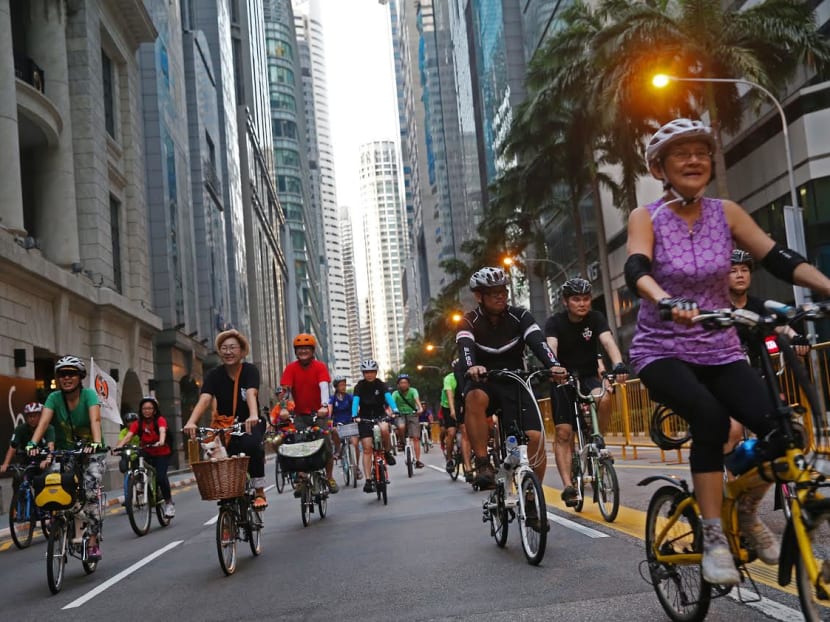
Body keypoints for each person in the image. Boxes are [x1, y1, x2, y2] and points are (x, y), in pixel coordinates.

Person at [625, 118, 830, 585]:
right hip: (663, 350)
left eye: (701, 151)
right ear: (660, 167)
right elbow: (637, 265)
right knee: (711, 420)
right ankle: (714, 537)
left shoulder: (726, 212)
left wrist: (827, 286)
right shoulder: (647, 217)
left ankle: (748, 510)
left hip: (720, 347)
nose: (694, 160)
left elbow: (777, 257)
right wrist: (665, 301)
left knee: (785, 430)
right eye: (682, 154)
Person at [456, 266, 565, 499]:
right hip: (484, 381)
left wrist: (553, 365)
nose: (500, 296)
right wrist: (471, 367)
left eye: (503, 291)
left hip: (516, 380)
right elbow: (465, 349)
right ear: (479, 296)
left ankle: (532, 496)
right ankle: (484, 462)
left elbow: (538, 342)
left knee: (535, 437)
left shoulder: (520, 316)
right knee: (474, 396)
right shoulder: (469, 321)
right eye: (493, 292)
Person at [544, 277, 629, 507]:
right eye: (576, 299)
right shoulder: (554, 322)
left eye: (585, 299)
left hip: (589, 375)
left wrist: (618, 364)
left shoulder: (596, 318)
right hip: (562, 378)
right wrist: (553, 367)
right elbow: (551, 347)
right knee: (563, 433)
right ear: (565, 301)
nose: (582, 304)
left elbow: (608, 342)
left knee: (603, 396)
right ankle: (568, 486)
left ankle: (597, 437)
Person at [27, 356, 106, 561]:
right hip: (65, 452)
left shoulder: (89, 395)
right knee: (52, 484)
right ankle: (61, 524)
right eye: (62, 374)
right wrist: (32, 444)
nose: (67, 378)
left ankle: (93, 540)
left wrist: (96, 442)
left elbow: (95, 419)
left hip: (91, 452)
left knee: (89, 492)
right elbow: (43, 423)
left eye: (71, 374)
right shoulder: (54, 398)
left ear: (80, 377)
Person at [184, 329, 268, 510]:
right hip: (224, 426)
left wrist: (253, 416)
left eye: (232, 348)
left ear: (242, 350)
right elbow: (205, 399)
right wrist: (191, 421)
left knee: (252, 445)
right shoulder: (214, 375)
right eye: (224, 348)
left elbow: (252, 394)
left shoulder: (250, 370)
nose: (228, 352)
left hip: (249, 423)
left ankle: (259, 490)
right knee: (216, 455)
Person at [278, 333, 337, 494]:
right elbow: (285, 390)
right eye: (300, 349)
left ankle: (330, 477)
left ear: (312, 350)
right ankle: (302, 479)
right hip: (300, 415)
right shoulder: (291, 368)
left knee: (326, 444)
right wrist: (283, 407)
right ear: (296, 351)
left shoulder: (320, 367)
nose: (303, 351)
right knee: (298, 446)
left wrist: (324, 406)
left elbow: (324, 386)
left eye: (306, 348)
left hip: (319, 414)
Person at [729, 249, 811, 365]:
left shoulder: (759, 305)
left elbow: (780, 326)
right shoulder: (719, 307)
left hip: (759, 371)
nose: (740, 275)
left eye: (744, 270)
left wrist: (796, 337)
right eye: (733, 271)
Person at [114, 396, 175, 518]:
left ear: (155, 410)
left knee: (161, 477)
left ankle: (169, 503)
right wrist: (118, 447)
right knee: (135, 462)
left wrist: (161, 441)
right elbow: (128, 436)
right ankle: (140, 482)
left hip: (161, 451)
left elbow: (162, 431)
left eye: (149, 408)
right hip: (146, 450)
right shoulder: (138, 423)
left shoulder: (160, 420)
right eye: (144, 408)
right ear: (141, 410)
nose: (147, 411)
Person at [351, 359, 399, 493]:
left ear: (376, 372)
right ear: (363, 373)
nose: (369, 375)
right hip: (364, 418)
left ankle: (387, 452)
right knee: (367, 449)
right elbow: (355, 401)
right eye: (366, 372)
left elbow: (389, 398)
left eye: (372, 372)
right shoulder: (359, 386)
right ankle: (368, 480)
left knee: (384, 429)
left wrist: (395, 410)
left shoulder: (381, 384)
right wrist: (354, 415)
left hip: (380, 415)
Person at [1, 402, 54, 474]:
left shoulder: (49, 428)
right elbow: (12, 447)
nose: (32, 419)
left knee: (48, 476)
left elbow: (50, 446)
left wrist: (47, 460)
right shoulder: (20, 429)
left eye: (35, 416)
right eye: (29, 416)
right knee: (18, 477)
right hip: (27, 461)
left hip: (44, 460)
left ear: (41, 416)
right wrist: (5, 464)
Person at [328, 375, 362, 480]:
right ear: (336, 387)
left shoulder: (349, 397)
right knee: (334, 431)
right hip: (338, 424)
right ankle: (338, 450)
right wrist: (329, 422)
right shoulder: (332, 399)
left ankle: (356, 468)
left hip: (350, 423)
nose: (343, 387)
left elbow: (356, 407)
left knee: (355, 444)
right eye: (341, 385)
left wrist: (357, 416)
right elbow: (329, 411)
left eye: (344, 385)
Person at [391, 373, 425, 468]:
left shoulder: (413, 391)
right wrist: (391, 413)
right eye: (401, 383)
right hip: (400, 415)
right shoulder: (395, 394)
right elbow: (392, 404)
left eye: (405, 382)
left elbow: (417, 400)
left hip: (412, 415)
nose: (403, 384)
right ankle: (402, 442)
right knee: (401, 427)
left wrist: (420, 409)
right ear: (398, 385)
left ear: (409, 384)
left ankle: (418, 461)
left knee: (415, 438)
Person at [117, 411, 140, 503]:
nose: (131, 423)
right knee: (126, 473)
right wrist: (117, 449)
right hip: (128, 455)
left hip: (139, 455)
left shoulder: (140, 430)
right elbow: (119, 443)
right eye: (129, 421)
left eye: (133, 421)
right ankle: (128, 496)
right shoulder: (124, 432)